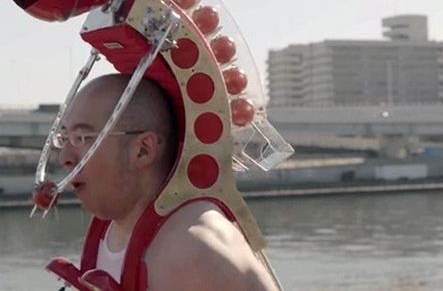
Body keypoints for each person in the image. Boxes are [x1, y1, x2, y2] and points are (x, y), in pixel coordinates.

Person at [58, 74, 278, 291]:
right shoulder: (114, 226)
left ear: (142, 150)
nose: (65, 158)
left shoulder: (188, 247)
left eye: (81, 138)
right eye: (64, 138)